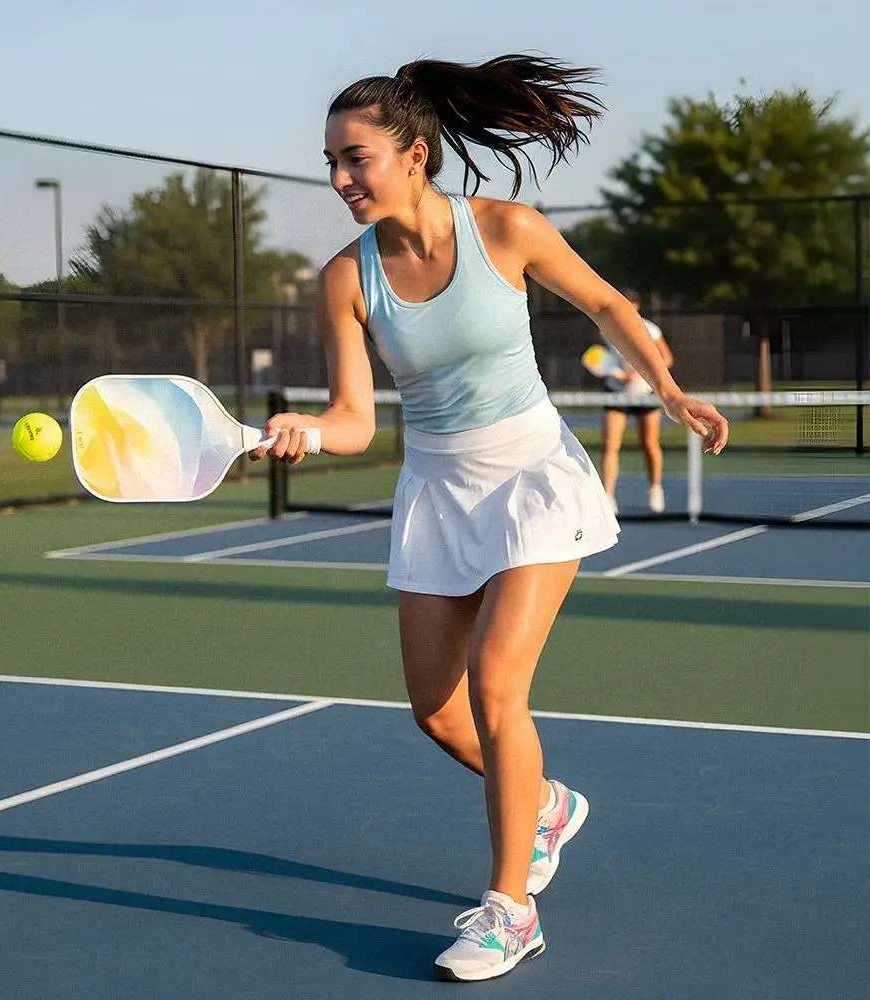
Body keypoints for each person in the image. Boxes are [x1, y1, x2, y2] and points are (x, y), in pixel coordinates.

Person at [251, 54, 728, 983]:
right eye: (331, 163)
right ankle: (545, 805)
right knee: (436, 711)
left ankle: (511, 910)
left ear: (416, 153)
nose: (342, 180)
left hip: (532, 475)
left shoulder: (505, 228)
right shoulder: (344, 281)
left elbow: (604, 301)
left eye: (357, 159)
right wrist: (308, 427)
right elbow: (356, 420)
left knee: (496, 686)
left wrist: (666, 389)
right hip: (435, 486)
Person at [599, 290, 674, 514]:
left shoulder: (651, 330)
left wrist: (644, 374)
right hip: (617, 393)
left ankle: (655, 489)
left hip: (646, 393)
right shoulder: (606, 328)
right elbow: (605, 358)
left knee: (649, 443)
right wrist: (614, 373)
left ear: (637, 305)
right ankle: (608, 496)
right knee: (611, 444)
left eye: (629, 303)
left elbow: (667, 359)